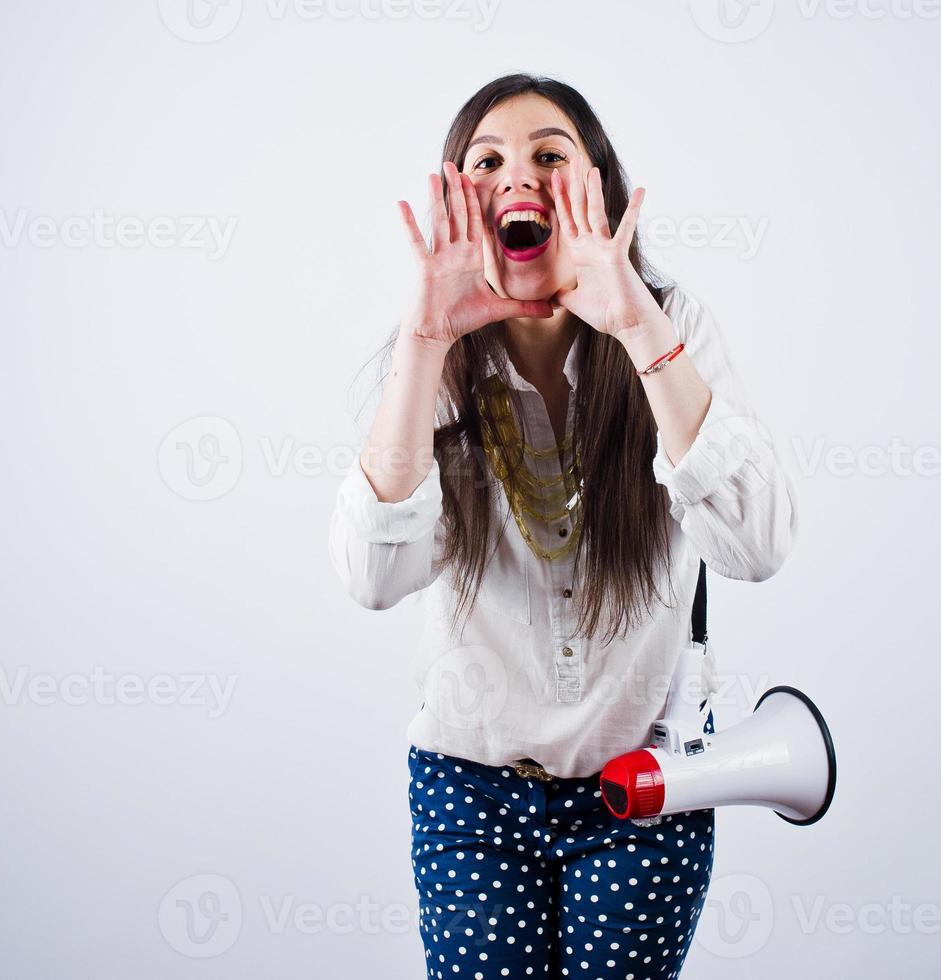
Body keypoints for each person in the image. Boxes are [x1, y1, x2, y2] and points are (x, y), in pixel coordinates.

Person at [328, 72, 797, 980]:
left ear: (598, 193)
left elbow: (757, 546)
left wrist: (632, 322)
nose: (519, 178)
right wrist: (426, 343)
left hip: (646, 794)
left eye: (551, 156)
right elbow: (372, 578)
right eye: (487, 162)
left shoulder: (672, 327)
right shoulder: (431, 357)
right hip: (470, 792)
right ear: (461, 203)